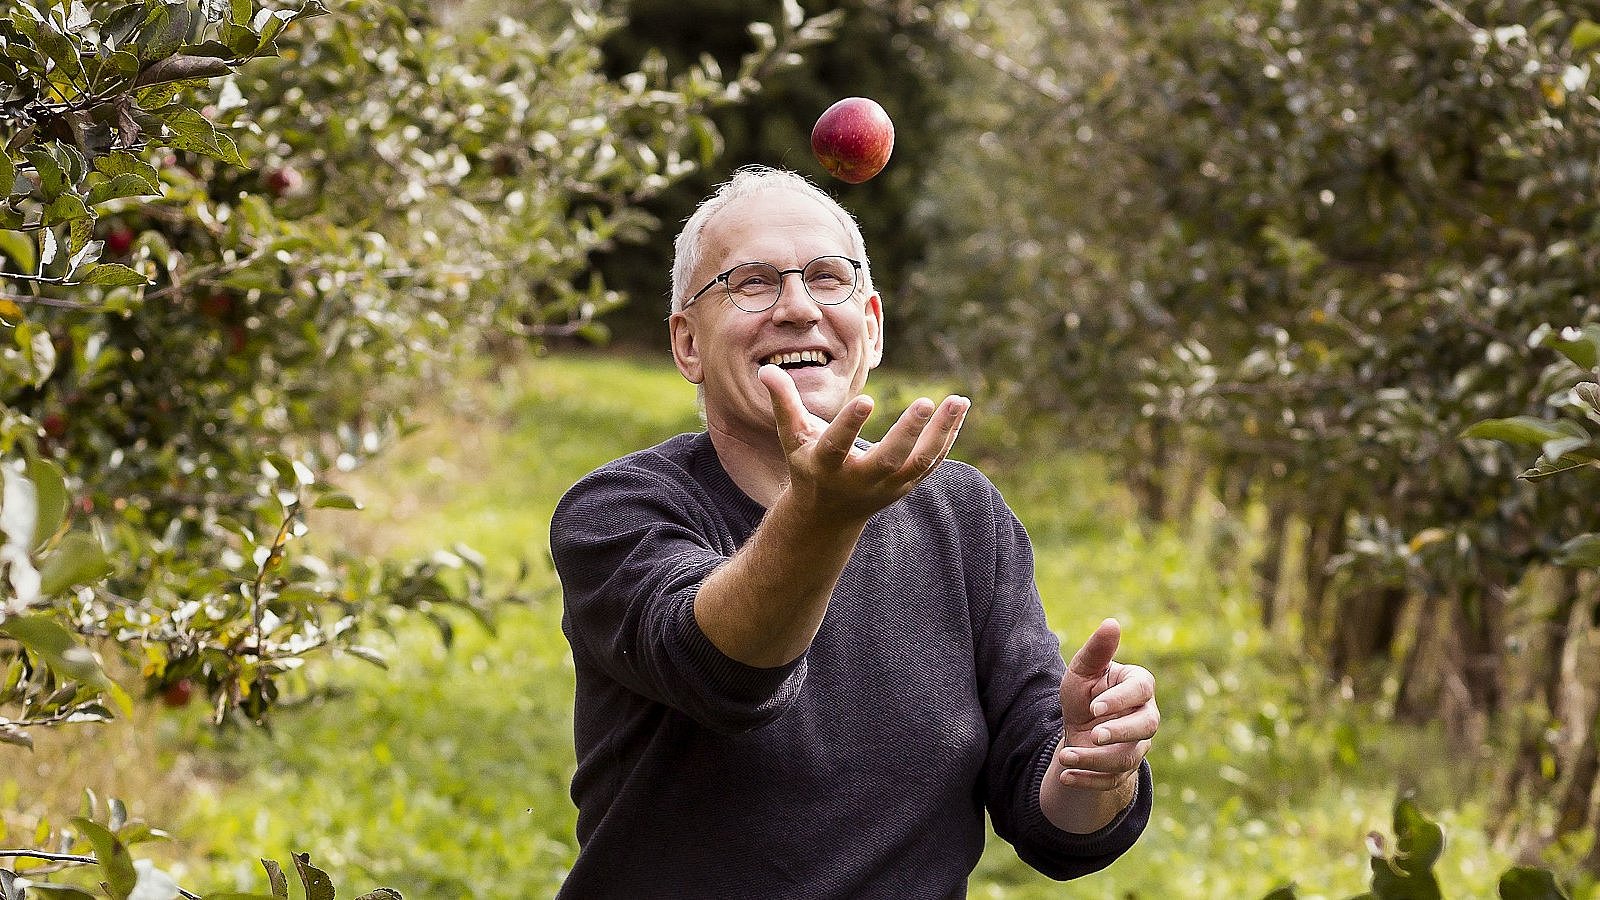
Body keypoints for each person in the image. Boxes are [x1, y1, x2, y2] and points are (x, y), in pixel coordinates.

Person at [549, 165, 1158, 897]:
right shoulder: (619, 509)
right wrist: (824, 513)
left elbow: (1049, 815)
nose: (798, 308)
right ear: (687, 345)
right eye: (751, 283)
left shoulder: (965, 518)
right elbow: (724, 673)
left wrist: (1095, 765)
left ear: (869, 327)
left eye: (828, 279)